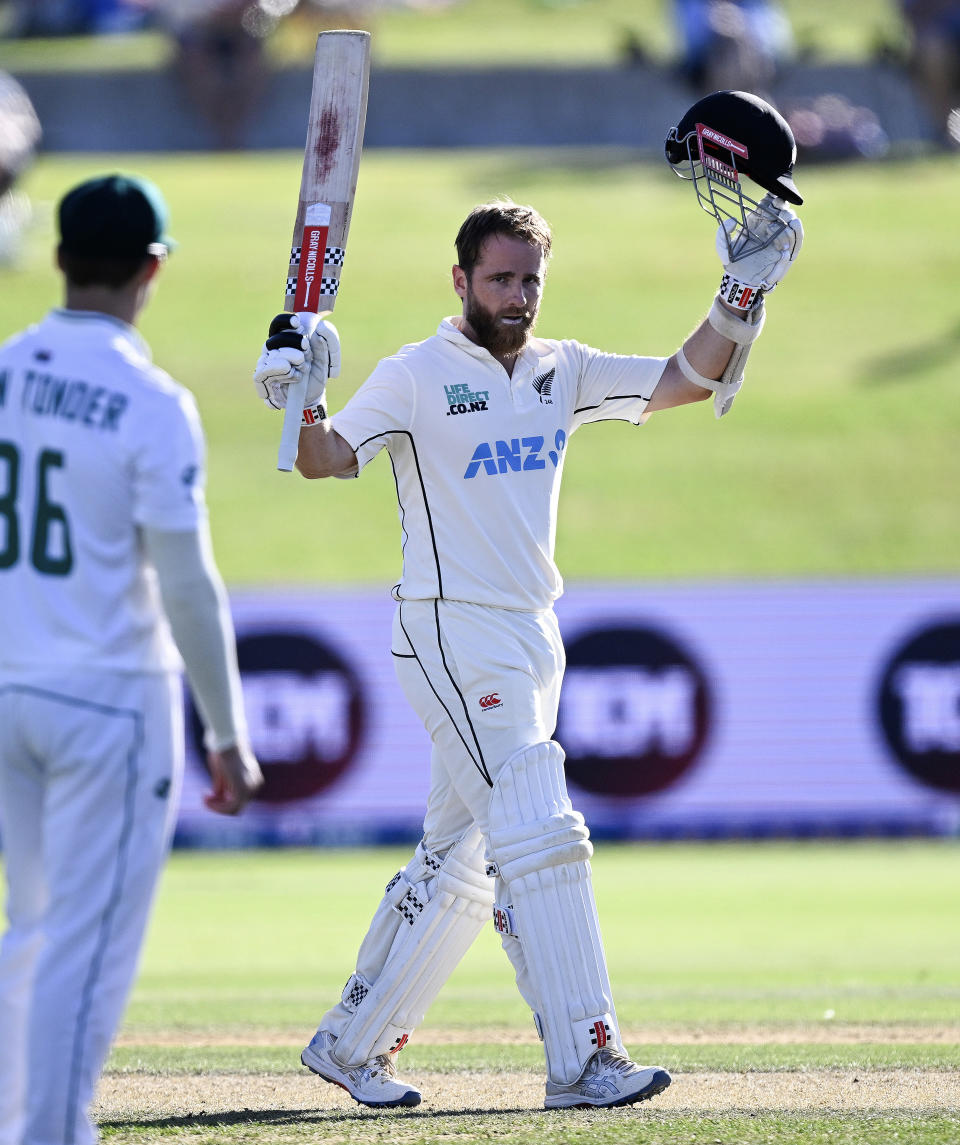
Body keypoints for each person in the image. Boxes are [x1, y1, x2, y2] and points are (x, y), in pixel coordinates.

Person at [251, 98, 803, 1112]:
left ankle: (349, 1041)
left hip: (530, 636)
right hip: (448, 631)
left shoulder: (561, 370)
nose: (516, 296)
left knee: (461, 852)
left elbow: (683, 380)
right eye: (499, 279)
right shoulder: (415, 377)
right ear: (459, 280)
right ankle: (585, 1058)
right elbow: (325, 460)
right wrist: (302, 395)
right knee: (539, 827)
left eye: (529, 281)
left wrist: (739, 291)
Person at [0, 173, 263, 1145]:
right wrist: (227, 731)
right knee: (86, 941)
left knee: (31, 929)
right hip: (108, 695)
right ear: (153, 269)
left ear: (61, 257)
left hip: (8, 683)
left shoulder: (4, 368)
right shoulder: (150, 400)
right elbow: (187, 583)